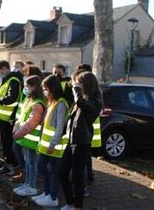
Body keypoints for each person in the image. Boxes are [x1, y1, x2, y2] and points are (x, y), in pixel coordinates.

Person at [59, 71, 101, 210]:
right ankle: (70, 202)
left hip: (82, 143)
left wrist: (76, 88)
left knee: (77, 178)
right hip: (72, 141)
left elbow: (81, 102)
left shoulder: (94, 102)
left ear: (86, 85)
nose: (75, 85)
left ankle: (77, 206)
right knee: (62, 173)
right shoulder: (81, 100)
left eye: (79, 83)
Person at [33, 75, 69, 207]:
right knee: (42, 167)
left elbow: (59, 127)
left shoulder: (60, 104)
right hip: (46, 145)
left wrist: (52, 144)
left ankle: (53, 197)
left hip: (54, 147)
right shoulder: (52, 103)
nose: (44, 91)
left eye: (46, 89)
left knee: (54, 172)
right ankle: (46, 192)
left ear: (53, 88)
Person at [12, 76, 45, 197]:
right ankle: (27, 184)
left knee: (31, 162)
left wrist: (18, 133)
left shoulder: (38, 103)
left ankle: (31, 186)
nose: (25, 89)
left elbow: (31, 123)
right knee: (27, 161)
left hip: (31, 138)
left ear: (34, 87)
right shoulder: (28, 99)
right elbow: (21, 117)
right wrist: (16, 127)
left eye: (27, 86)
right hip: (24, 137)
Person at [0, 60, 23, 175]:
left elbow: (12, 98)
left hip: (9, 118)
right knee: (4, 143)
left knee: (8, 143)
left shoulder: (13, 81)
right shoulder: (7, 80)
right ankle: (7, 163)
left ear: (5, 68)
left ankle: (11, 165)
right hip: (4, 117)